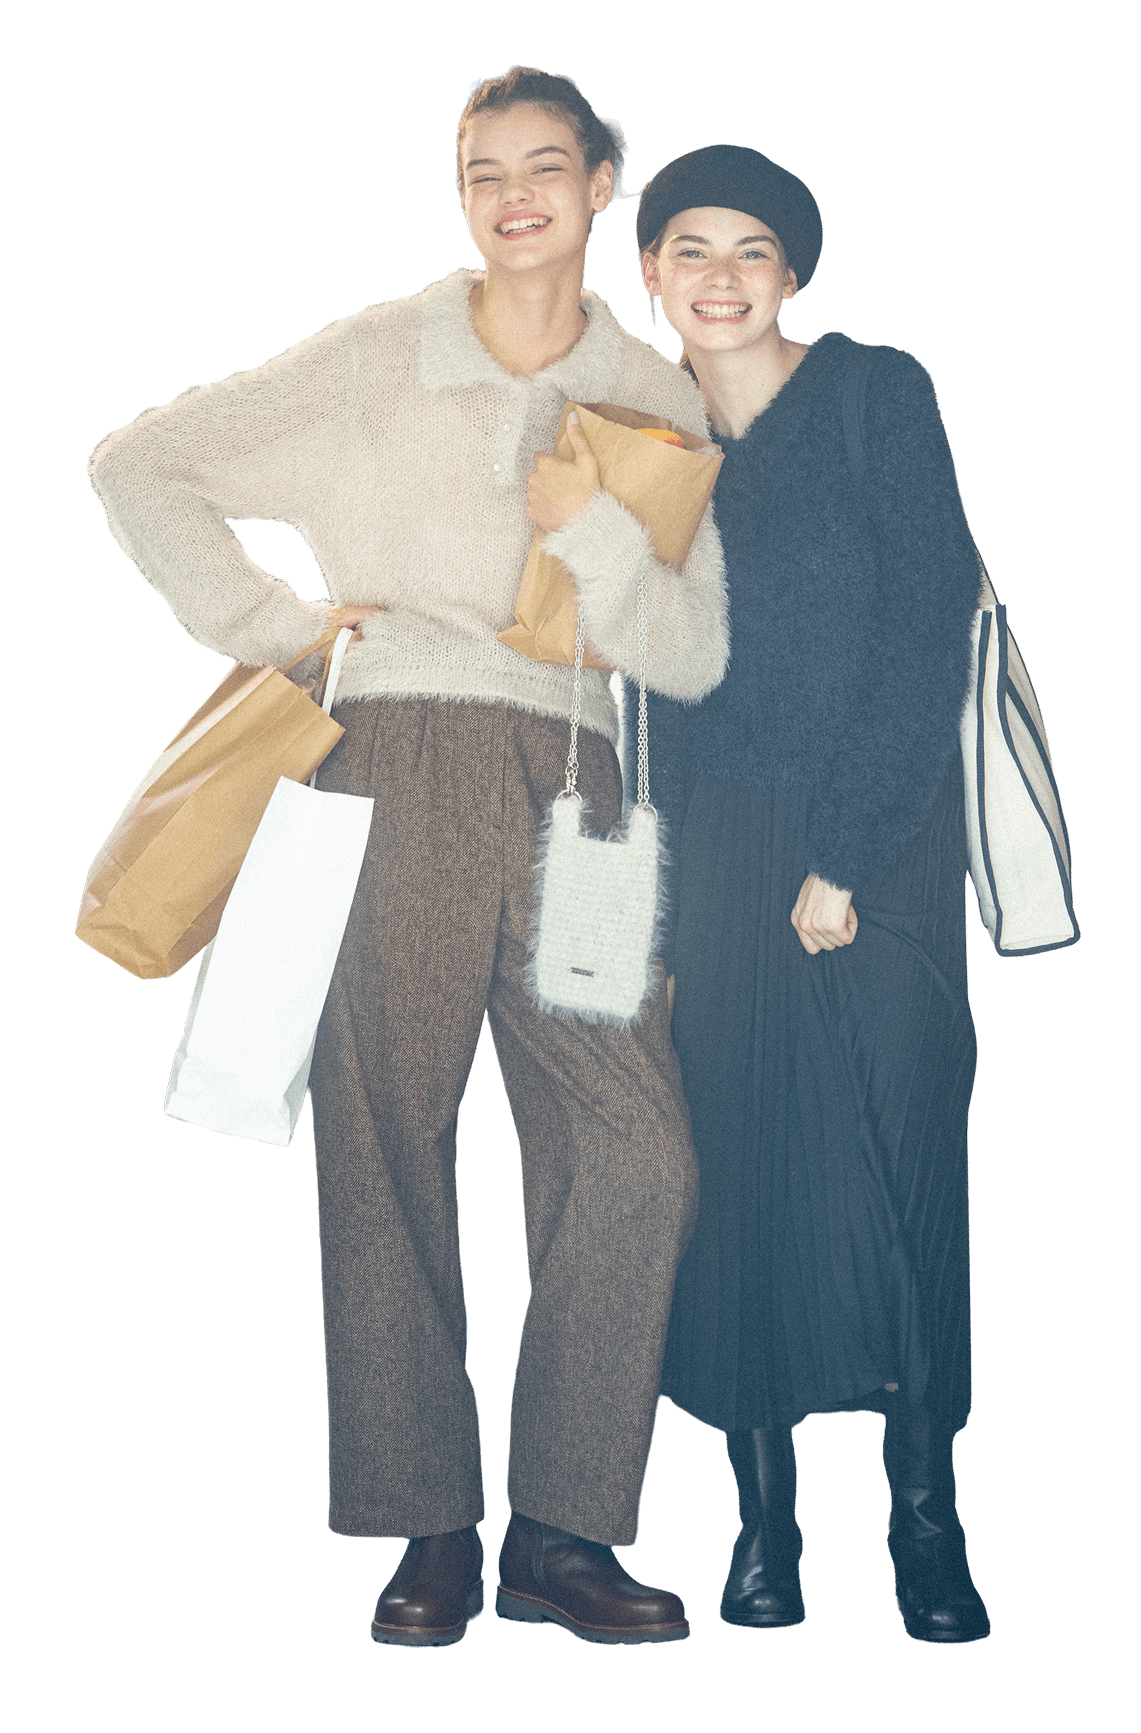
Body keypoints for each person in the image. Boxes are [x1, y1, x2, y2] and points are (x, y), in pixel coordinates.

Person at [86, 69, 729, 1649]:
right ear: (461, 194)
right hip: (397, 756)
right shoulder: (378, 355)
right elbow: (136, 464)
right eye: (480, 171)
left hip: (585, 786)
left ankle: (563, 1535)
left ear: (603, 187)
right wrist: (278, 627)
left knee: (637, 1151)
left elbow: (698, 650)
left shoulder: (659, 392)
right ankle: (429, 1528)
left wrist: (601, 549)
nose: (513, 197)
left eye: (543, 168)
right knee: (385, 1133)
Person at [637, 144, 999, 1643]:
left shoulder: (871, 394)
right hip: (712, 849)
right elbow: (628, 686)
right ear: (649, 275)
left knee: (901, 1159)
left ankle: (926, 1517)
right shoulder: (638, 428)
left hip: (878, 834)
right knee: (735, 1176)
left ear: (792, 271)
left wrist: (842, 853)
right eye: (689, 250)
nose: (720, 278)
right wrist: (642, 922)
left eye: (751, 250)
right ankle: (764, 1521)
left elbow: (929, 622)